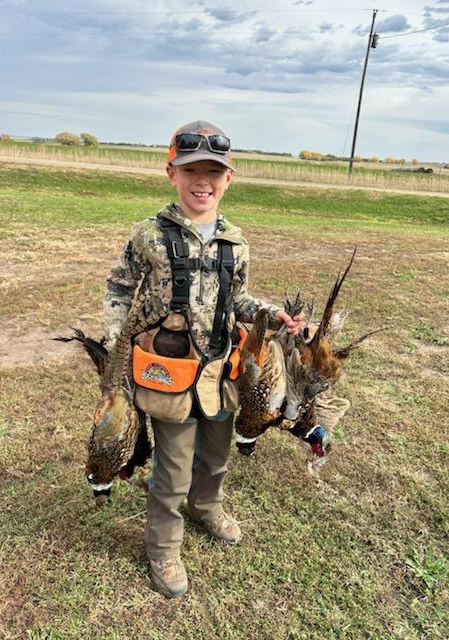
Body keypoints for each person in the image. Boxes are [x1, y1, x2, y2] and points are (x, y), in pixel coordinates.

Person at [103, 120, 304, 598]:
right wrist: (115, 339)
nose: (203, 181)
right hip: (168, 370)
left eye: (214, 172)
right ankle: (163, 548)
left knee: (214, 458)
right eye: (192, 169)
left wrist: (273, 314)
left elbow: (240, 301)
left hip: (220, 373)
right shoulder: (149, 233)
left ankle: (206, 507)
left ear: (228, 179)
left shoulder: (236, 240)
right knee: (172, 471)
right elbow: (119, 284)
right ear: (171, 172)